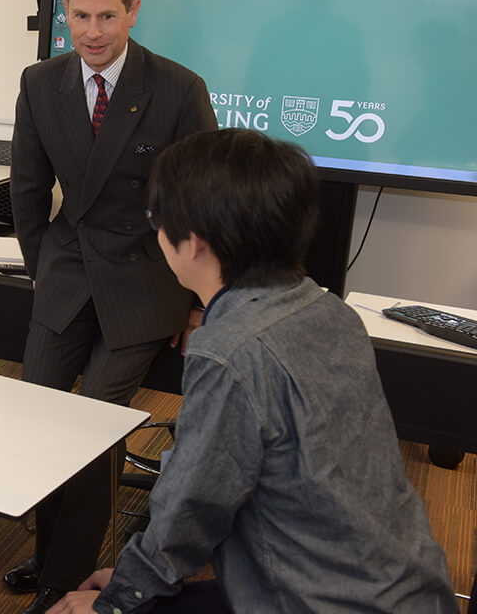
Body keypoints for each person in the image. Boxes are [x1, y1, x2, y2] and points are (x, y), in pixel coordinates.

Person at [46, 128, 457, 613]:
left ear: (193, 243)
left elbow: (190, 509)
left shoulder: (229, 349)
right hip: (409, 590)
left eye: (156, 220)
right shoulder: (330, 311)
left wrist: (117, 601)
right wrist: (137, 580)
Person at [7, 0, 217, 613]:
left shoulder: (177, 88)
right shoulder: (41, 82)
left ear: (133, 12)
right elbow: (27, 190)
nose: (92, 31)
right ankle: (48, 551)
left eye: (106, 16)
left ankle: (64, 579)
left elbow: (203, 202)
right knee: (39, 415)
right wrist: (43, 268)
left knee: (93, 427)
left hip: (144, 282)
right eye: (80, 16)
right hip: (67, 273)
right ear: (64, 14)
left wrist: (200, 303)